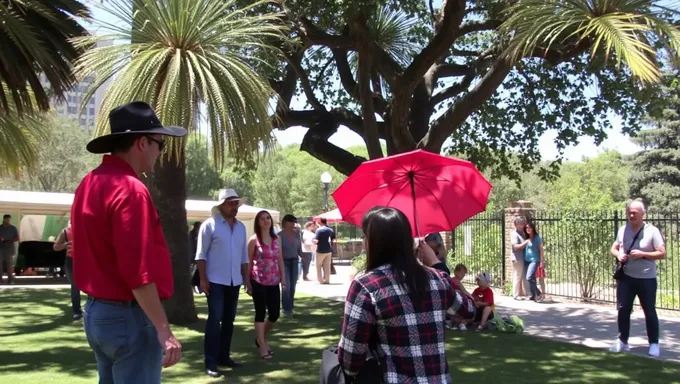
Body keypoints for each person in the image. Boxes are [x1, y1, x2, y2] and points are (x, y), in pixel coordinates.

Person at [71, 101, 184, 383]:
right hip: (128, 317)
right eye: (160, 144)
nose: (160, 152)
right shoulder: (131, 190)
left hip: (97, 313)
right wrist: (163, 329)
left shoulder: (90, 182)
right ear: (142, 143)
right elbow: (138, 271)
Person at [337, 206, 460, 383]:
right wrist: (436, 264)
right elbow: (469, 310)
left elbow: (350, 362)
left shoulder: (366, 286)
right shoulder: (437, 279)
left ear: (373, 242)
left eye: (365, 237)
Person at [196, 188, 250, 377]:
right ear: (222, 206)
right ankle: (210, 362)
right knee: (214, 321)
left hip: (234, 281)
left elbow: (244, 256)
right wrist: (203, 279)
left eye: (236, 203)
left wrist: (247, 280)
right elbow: (201, 255)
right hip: (215, 281)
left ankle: (224, 357)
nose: (234, 207)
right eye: (231, 203)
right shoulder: (209, 225)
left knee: (229, 321)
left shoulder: (241, 227)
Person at [609, 199, 665, 357]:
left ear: (643, 213)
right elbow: (614, 248)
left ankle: (654, 343)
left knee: (649, 310)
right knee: (623, 309)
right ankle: (623, 341)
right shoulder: (622, 229)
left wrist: (643, 254)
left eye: (635, 212)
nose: (631, 215)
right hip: (626, 277)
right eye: (629, 212)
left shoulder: (652, 231)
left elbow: (662, 253)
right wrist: (619, 254)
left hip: (647, 278)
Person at [248, 210, 286, 360]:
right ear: (258, 222)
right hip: (258, 280)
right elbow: (249, 262)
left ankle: (260, 337)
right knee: (260, 312)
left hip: (273, 280)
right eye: (263, 219)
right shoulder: (253, 240)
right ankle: (263, 346)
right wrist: (247, 282)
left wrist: (284, 278)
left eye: (268, 218)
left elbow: (280, 259)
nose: (266, 221)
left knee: (275, 313)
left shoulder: (277, 239)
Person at [53, 221, 82, 319]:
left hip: (85, 260)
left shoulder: (85, 228)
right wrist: (65, 245)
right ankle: (77, 311)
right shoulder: (65, 231)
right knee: (75, 286)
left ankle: (92, 310)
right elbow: (55, 247)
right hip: (71, 260)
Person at [278, 214, 303, 317]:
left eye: (294, 221)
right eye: (291, 221)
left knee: (293, 286)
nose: (293, 223)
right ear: (285, 222)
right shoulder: (280, 235)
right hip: (284, 262)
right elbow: (278, 251)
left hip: (295, 262)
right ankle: (286, 309)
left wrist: (303, 256)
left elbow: (299, 248)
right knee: (286, 286)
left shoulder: (297, 234)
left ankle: (290, 307)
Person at [523, 222, 545, 302]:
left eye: (529, 227)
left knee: (529, 277)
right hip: (527, 261)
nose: (528, 229)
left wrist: (542, 261)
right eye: (526, 228)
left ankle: (539, 294)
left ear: (533, 228)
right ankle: (533, 295)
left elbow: (541, 250)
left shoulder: (537, 238)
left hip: (535, 260)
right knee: (532, 279)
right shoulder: (527, 238)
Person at [511, 216, 530, 299]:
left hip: (524, 258)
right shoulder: (514, 234)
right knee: (518, 276)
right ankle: (516, 295)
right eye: (519, 223)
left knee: (525, 276)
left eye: (523, 222)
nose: (521, 224)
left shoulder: (523, 233)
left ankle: (528, 293)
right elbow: (515, 247)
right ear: (516, 224)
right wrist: (525, 243)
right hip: (517, 258)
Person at [313, 218, 335, 284]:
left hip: (320, 250)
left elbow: (316, 240)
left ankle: (320, 280)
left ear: (320, 222)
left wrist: (313, 241)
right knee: (327, 266)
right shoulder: (330, 230)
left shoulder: (319, 230)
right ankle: (327, 280)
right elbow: (333, 240)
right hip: (328, 250)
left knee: (318, 265)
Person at [0, 214, 19, 284]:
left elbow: (17, 238)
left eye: (9, 220)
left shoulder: (13, 228)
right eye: (7, 220)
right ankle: (0, 279)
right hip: (1, 247)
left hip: (9, 247)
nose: (8, 221)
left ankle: (10, 279)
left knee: (9, 264)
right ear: (4, 219)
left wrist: (11, 240)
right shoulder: (0, 227)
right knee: (0, 264)